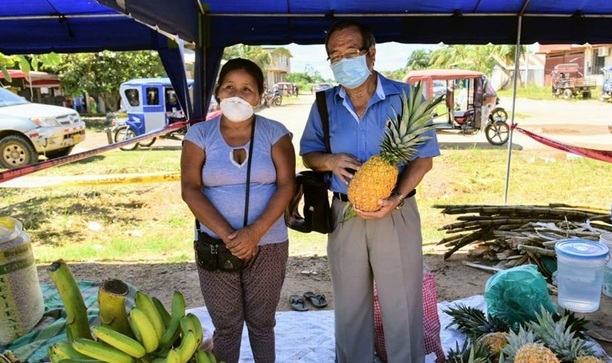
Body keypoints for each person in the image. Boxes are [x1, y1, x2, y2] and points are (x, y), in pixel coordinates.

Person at [299, 20, 440, 363]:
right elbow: (309, 153)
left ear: (371, 54)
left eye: (351, 52)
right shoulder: (323, 104)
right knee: (349, 305)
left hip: (397, 211)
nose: (343, 60)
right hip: (343, 213)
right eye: (335, 55)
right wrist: (329, 160)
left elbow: (423, 160)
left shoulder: (406, 98)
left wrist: (397, 197)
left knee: (401, 303)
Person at [180, 58, 295, 363]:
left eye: (247, 89)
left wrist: (254, 233)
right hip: (216, 246)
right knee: (226, 326)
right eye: (229, 86)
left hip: (268, 244)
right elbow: (190, 189)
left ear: (259, 96)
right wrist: (230, 236)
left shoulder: (276, 133)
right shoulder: (199, 136)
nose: (237, 94)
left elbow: (286, 185)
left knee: (261, 324)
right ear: (218, 90)